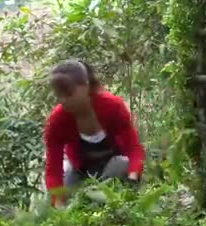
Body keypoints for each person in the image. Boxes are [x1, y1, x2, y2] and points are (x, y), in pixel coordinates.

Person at [43, 59, 145, 205]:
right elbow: (53, 169)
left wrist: (133, 176)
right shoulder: (57, 121)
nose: (64, 100)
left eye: (69, 94)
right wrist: (58, 203)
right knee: (67, 200)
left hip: (113, 165)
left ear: (85, 86)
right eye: (60, 95)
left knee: (123, 164)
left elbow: (133, 148)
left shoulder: (112, 106)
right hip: (80, 171)